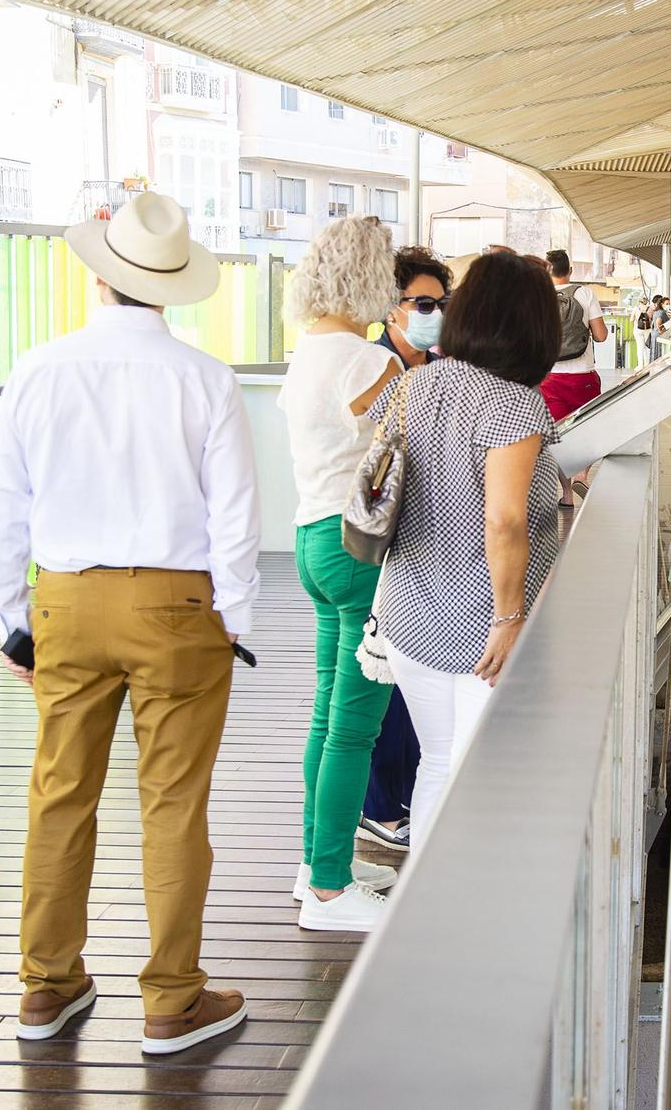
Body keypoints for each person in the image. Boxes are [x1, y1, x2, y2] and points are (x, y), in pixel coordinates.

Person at [0, 192, 258, 1054]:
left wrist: (13, 618)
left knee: (60, 793)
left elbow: (6, 506)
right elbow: (236, 517)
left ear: (101, 276)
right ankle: (172, 1000)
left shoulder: (38, 368)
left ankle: (46, 986)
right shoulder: (206, 378)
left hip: (65, 598)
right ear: (172, 286)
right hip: (178, 605)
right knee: (173, 803)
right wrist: (235, 616)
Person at [372, 251, 565, 846]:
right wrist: (509, 618)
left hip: (410, 616)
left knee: (438, 763)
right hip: (482, 628)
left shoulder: (408, 387)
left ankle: (423, 911)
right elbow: (504, 520)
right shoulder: (512, 402)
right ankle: (464, 916)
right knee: (481, 777)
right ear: (533, 328)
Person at [281, 216, 406, 932]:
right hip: (357, 549)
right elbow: (407, 444)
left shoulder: (308, 353)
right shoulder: (366, 363)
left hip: (310, 539)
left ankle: (316, 861)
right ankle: (330, 888)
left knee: (329, 709)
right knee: (355, 723)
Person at [355, 247, 454, 852]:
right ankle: (380, 807)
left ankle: (403, 797)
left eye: (442, 305)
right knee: (375, 682)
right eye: (422, 304)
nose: (433, 314)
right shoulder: (377, 368)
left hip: (413, 549)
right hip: (374, 547)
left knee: (402, 678)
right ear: (389, 308)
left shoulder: (429, 366)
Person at [540, 249, 609, 504]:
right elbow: (601, 336)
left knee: (558, 437)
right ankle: (582, 474)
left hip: (550, 378)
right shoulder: (585, 293)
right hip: (583, 377)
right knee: (590, 429)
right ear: (570, 270)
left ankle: (567, 494)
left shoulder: (539, 297)